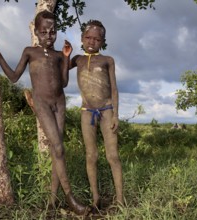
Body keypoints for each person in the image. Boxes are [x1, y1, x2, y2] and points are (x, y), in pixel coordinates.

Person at [0, 10, 89, 215]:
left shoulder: (60, 55)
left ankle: (51, 203)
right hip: (42, 103)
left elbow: (65, 83)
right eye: (44, 32)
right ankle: (70, 198)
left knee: (56, 151)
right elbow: (14, 77)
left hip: (59, 103)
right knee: (59, 148)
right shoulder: (29, 52)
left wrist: (67, 57)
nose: (49, 36)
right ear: (36, 32)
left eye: (53, 32)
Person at [69, 20, 124, 211]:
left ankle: (120, 199)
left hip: (107, 110)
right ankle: (96, 198)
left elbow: (115, 90)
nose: (92, 42)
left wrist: (116, 115)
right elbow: (59, 71)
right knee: (91, 155)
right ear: (82, 38)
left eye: (97, 39)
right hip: (86, 112)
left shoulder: (107, 60)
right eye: (88, 37)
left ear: (103, 41)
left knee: (113, 156)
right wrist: (65, 55)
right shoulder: (77, 59)